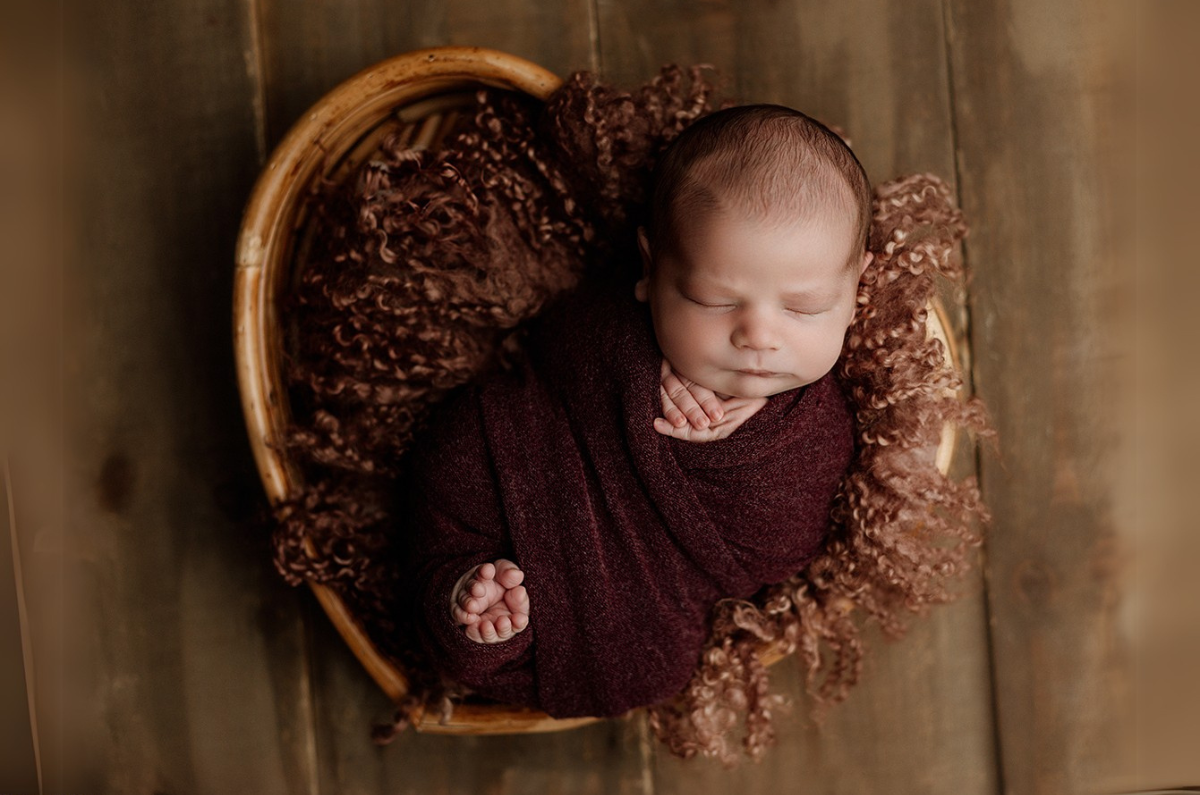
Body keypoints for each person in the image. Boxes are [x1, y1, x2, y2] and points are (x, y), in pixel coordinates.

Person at [401, 104, 874, 718]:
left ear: (855, 290)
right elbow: (553, 343)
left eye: (804, 308)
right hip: (523, 465)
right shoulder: (620, 321)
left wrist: (725, 455)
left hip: (641, 593)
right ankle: (454, 589)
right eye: (712, 300)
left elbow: (775, 559)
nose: (759, 336)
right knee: (456, 456)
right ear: (651, 271)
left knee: (654, 666)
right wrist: (635, 371)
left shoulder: (816, 432)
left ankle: (478, 617)